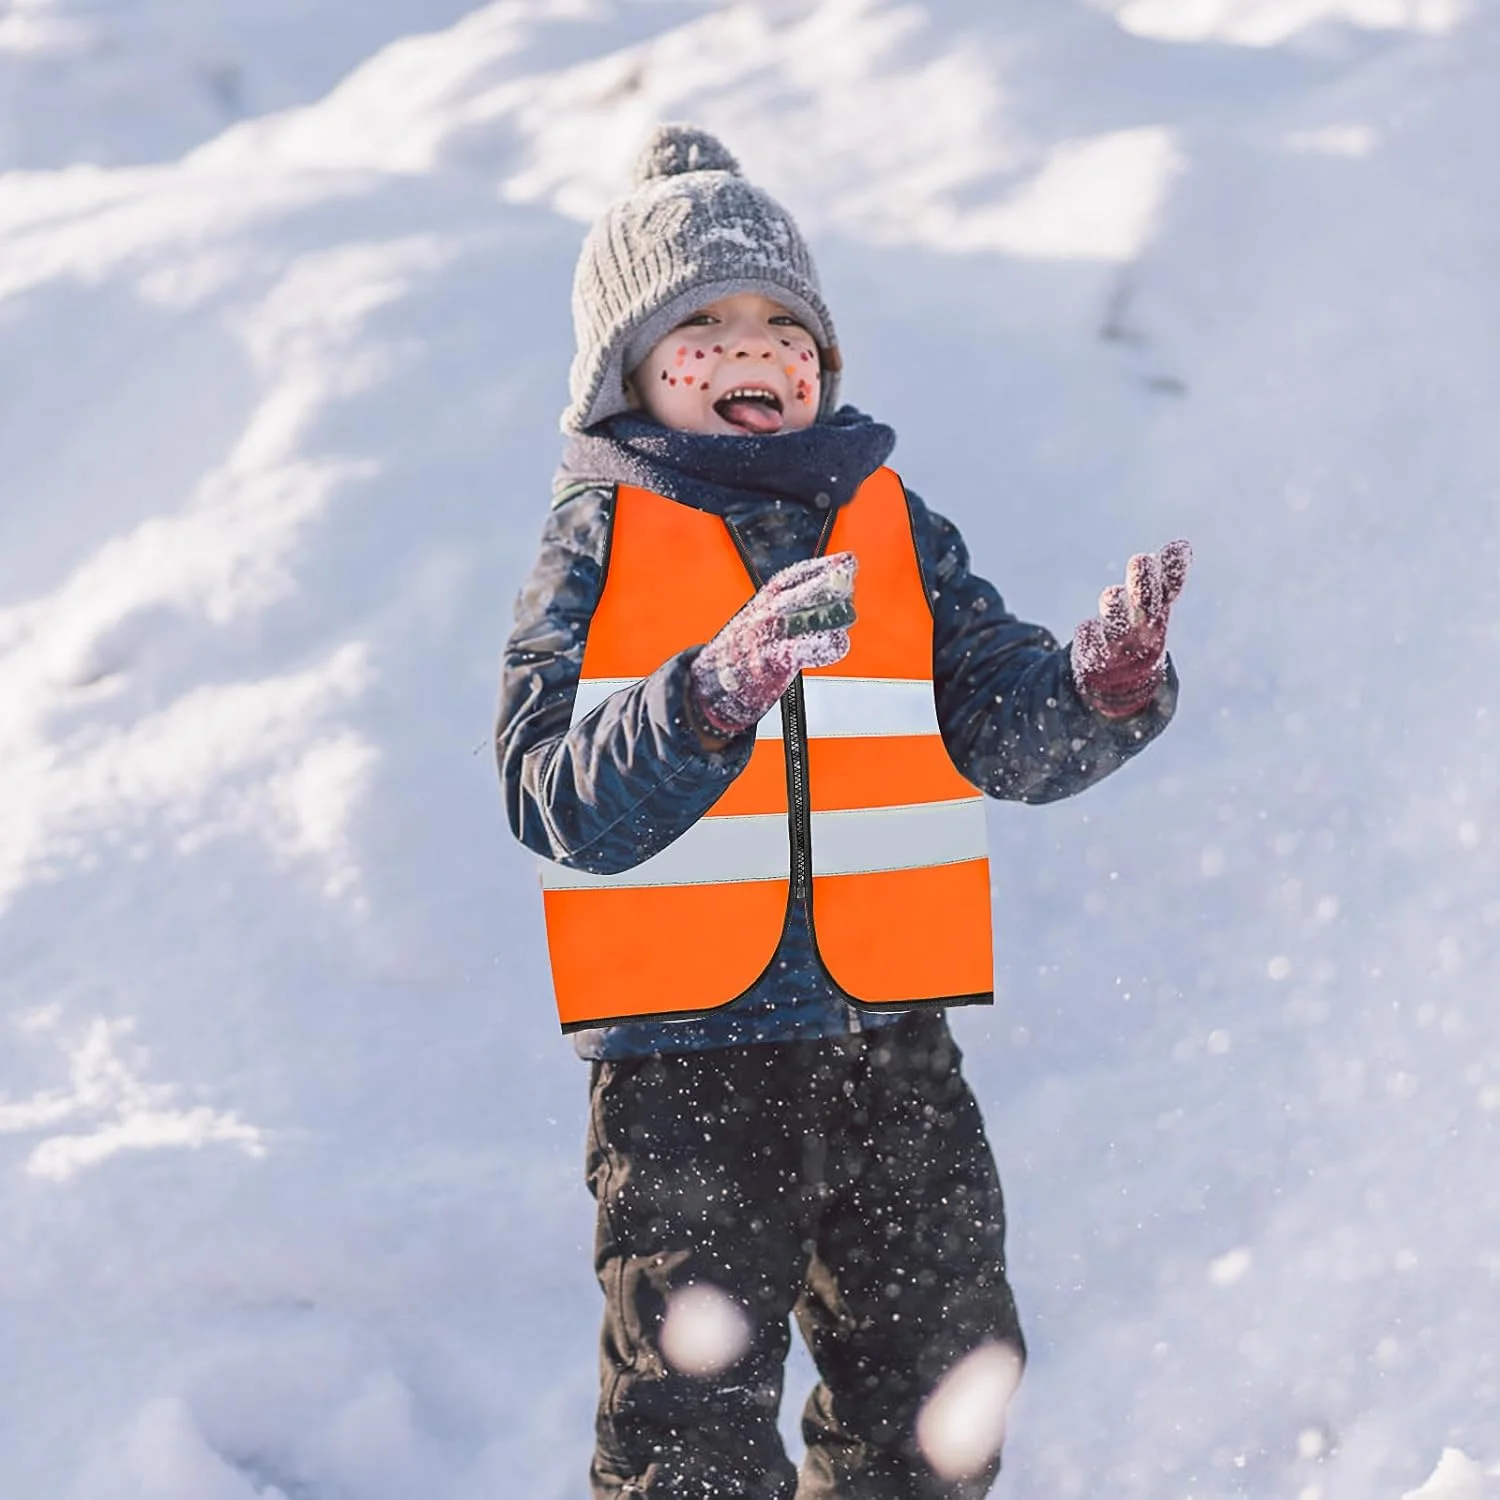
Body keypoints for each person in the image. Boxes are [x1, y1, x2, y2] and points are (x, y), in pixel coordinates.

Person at [495, 122, 1191, 1500]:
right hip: (688, 1068)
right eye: (703, 326)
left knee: (945, 1383)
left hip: (893, 1045)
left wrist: (1099, 690)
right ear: (628, 370)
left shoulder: (892, 523)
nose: (750, 347)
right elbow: (550, 791)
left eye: (782, 325)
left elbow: (1001, 726)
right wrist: (709, 693)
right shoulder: (598, 536)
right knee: (692, 1428)